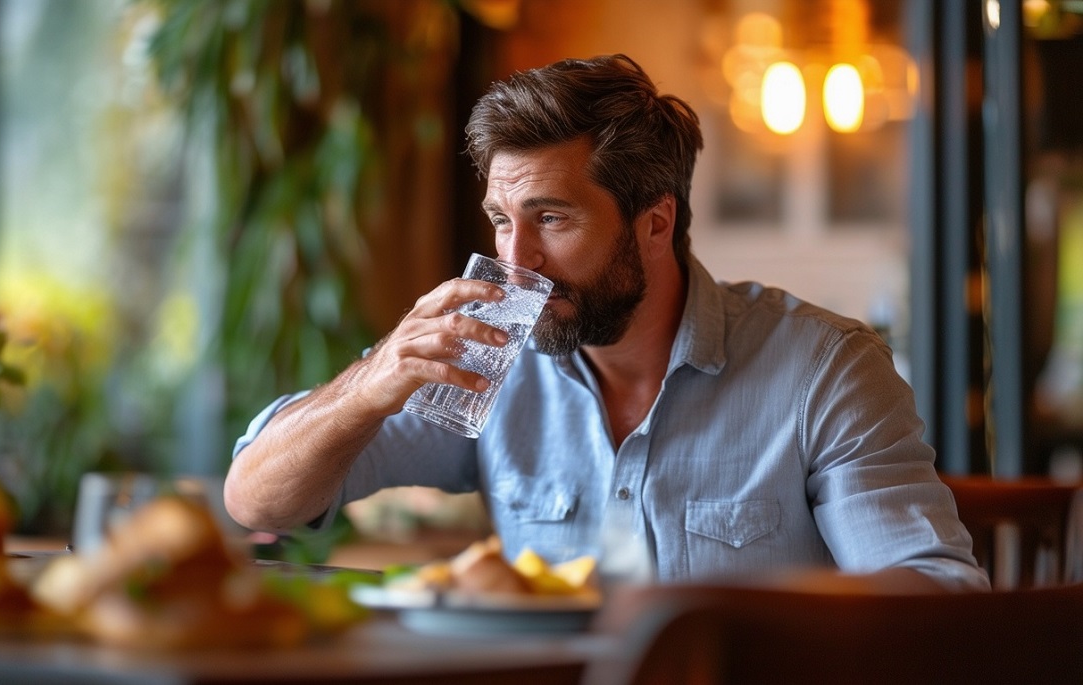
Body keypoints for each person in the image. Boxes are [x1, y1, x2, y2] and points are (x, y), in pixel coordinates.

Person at [225, 54, 990, 593]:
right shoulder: (487, 352)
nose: (516, 260)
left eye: (551, 217)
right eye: (501, 219)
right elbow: (256, 500)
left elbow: (936, 593)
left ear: (655, 222)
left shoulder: (823, 368)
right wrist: (373, 382)